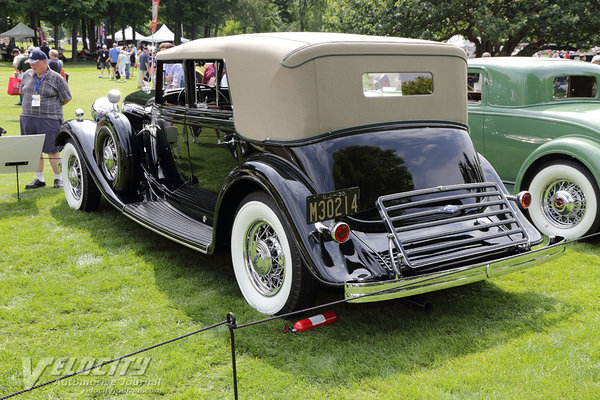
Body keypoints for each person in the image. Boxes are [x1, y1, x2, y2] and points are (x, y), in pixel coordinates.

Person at [19, 50, 72, 189]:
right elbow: (22, 92)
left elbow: (66, 98)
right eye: (30, 63)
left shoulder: (56, 78)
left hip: (49, 119)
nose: (32, 66)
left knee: (52, 150)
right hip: (28, 118)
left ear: (44, 62)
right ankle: (39, 179)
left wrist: (50, 108)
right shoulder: (26, 75)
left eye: (35, 63)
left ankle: (59, 178)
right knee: (34, 150)